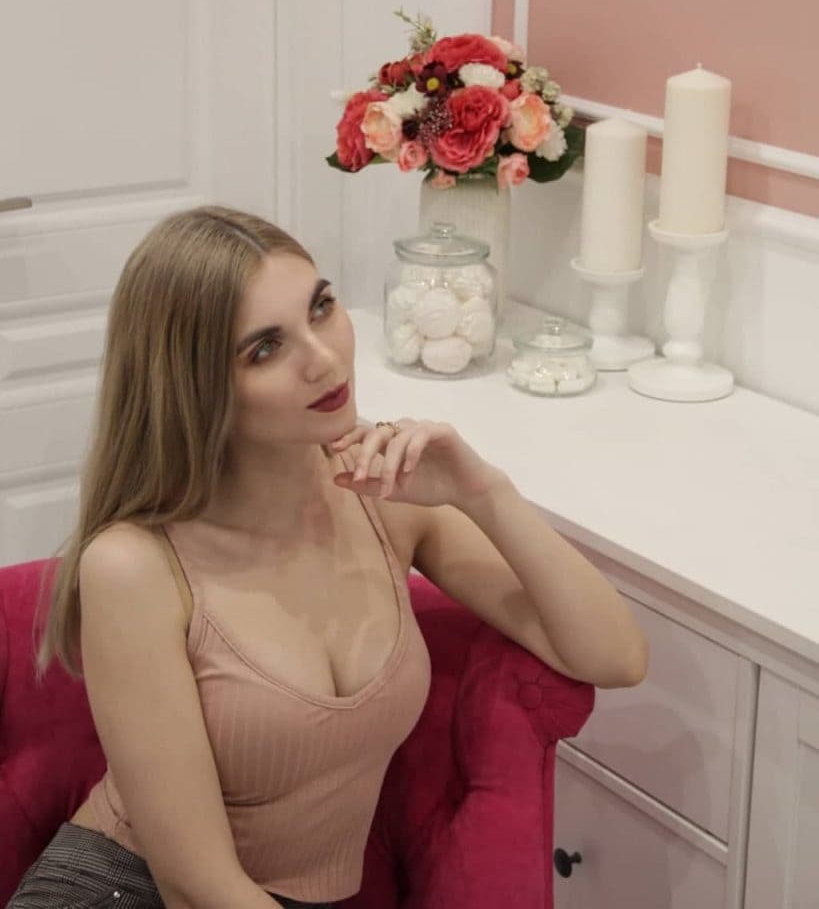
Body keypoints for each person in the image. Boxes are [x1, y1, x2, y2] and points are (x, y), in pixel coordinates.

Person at [10, 205, 649, 909]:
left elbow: (614, 657)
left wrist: (484, 493)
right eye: (264, 348)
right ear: (195, 386)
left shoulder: (386, 494)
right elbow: (195, 885)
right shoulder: (135, 567)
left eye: (320, 307)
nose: (322, 358)